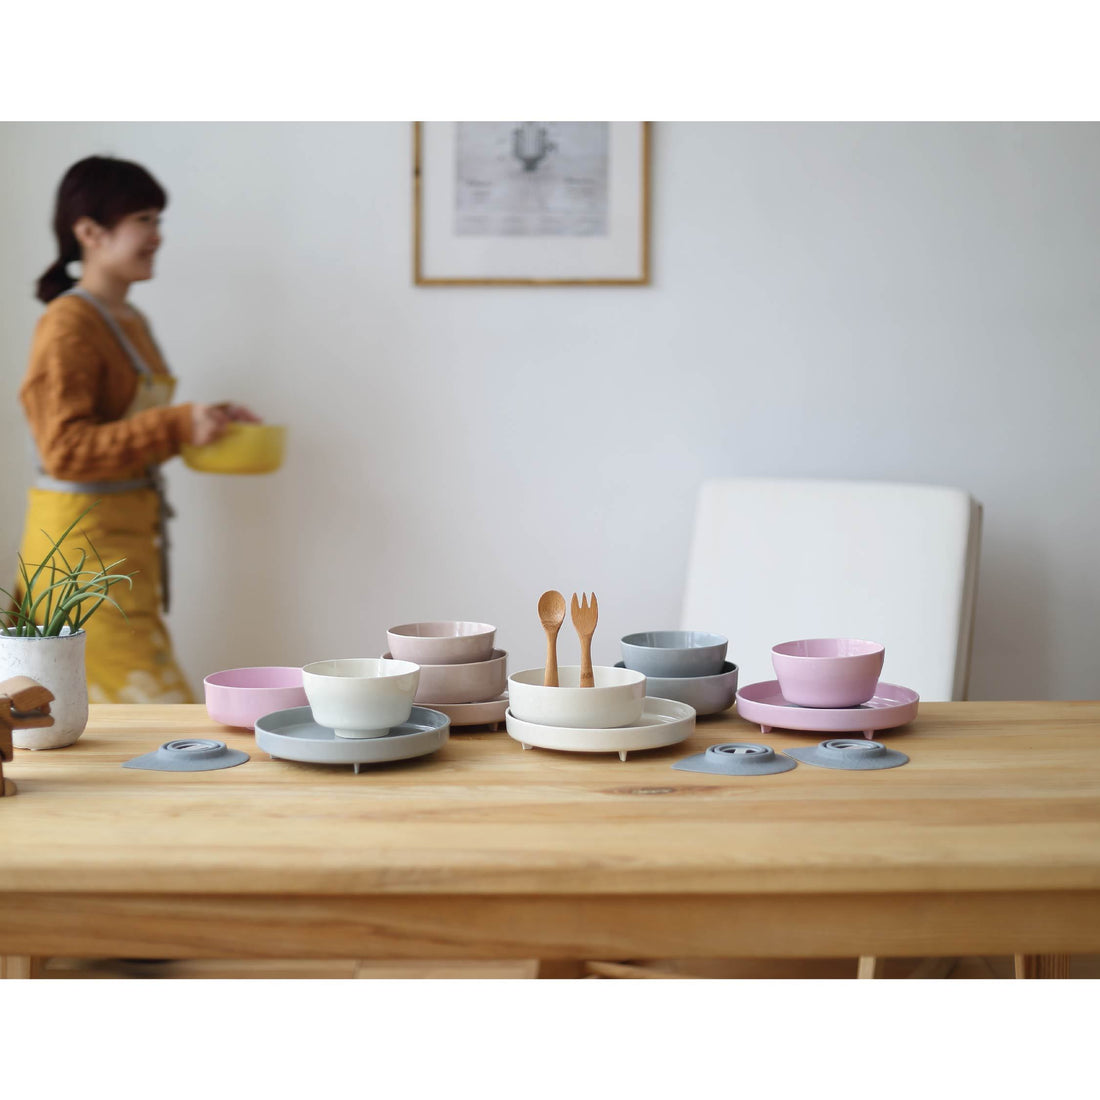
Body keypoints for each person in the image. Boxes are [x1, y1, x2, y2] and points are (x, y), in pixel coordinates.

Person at [15, 155, 259, 703]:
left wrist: (203, 423)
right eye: (144, 220)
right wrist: (174, 423)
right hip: (76, 560)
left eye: (158, 220)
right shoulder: (68, 323)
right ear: (89, 232)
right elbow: (65, 450)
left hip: (124, 552)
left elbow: (124, 430)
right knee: (149, 715)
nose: (158, 236)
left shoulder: (128, 320)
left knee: (111, 722)